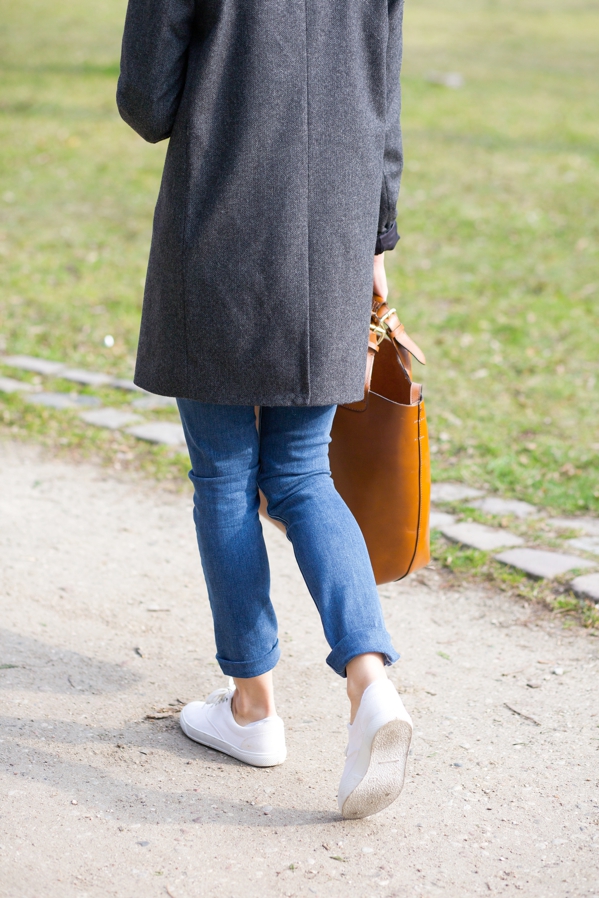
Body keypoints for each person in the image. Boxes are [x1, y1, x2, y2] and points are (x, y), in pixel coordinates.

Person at [117, 0, 412, 819]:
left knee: (223, 475)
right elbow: (382, 96)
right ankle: (370, 681)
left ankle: (252, 710)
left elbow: (146, 101)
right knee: (302, 475)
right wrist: (377, 237)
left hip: (224, 213)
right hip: (335, 230)